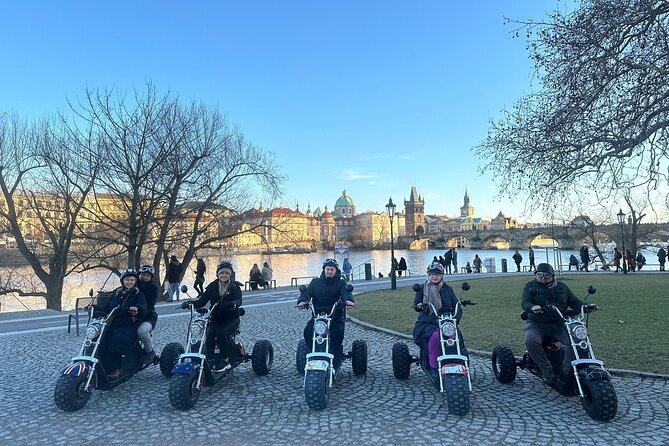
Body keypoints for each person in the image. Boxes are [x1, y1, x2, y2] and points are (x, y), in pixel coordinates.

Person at [522, 263, 597, 386]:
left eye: (546, 275)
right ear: (536, 274)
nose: (542, 278)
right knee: (530, 341)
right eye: (539, 274)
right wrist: (532, 307)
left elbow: (574, 302)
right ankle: (547, 370)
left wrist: (586, 307)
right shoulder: (530, 286)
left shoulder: (562, 287)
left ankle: (566, 371)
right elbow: (525, 302)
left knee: (577, 342)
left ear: (552, 276)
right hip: (537, 323)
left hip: (559, 324)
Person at [183, 260, 242, 372]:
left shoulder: (234, 286)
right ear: (218, 274)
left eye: (226, 273)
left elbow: (238, 300)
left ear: (230, 275)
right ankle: (210, 359)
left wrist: (232, 304)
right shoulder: (212, 286)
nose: (224, 275)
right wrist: (189, 303)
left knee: (221, 332)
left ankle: (225, 360)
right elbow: (201, 301)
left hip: (231, 319)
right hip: (215, 318)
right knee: (209, 333)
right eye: (221, 273)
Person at [297, 258, 354, 371]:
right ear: (324, 270)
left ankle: (334, 354)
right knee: (308, 331)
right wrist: (302, 301)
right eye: (327, 269)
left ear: (336, 270)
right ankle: (313, 351)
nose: (329, 272)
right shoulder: (315, 282)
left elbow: (346, 293)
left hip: (335, 316)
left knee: (337, 333)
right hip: (318, 316)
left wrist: (348, 300)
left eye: (332, 269)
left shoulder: (341, 283)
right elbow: (307, 293)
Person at [412, 262, 464, 382]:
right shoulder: (421, 288)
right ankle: (434, 366)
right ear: (428, 275)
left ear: (442, 276)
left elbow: (456, 304)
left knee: (455, 337)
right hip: (427, 322)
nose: (434, 277)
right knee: (436, 337)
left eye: (437, 274)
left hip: (446, 322)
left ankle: (461, 364)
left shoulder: (447, 289)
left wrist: (455, 319)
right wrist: (419, 306)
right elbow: (416, 305)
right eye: (432, 274)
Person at [94, 269, 146, 379]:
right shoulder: (116, 293)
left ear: (135, 281)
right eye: (127, 280)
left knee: (117, 341)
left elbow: (142, 307)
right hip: (113, 324)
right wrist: (94, 308)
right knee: (101, 342)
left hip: (128, 324)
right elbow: (107, 307)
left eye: (132, 280)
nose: (130, 282)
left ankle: (116, 368)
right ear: (123, 281)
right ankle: (102, 367)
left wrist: (137, 309)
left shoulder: (138, 294)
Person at [137, 264, 159, 367]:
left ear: (151, 277)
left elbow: (150, 306)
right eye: (143, 274)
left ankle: (150, 352)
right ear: (139, 274)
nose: (145, 277)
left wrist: (139, 313)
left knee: (142, 331)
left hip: (148, 316)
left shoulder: (153, 289)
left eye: (148, 275)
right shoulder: (133, 285)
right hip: (131, 316)